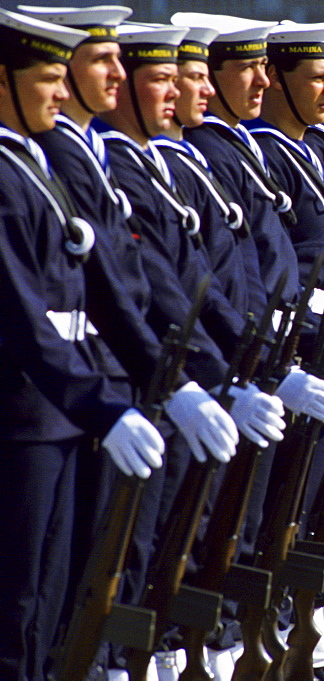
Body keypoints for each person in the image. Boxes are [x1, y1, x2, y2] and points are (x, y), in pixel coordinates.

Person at [0, 9, 166, 679]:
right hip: (23, 417)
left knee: (49, 596)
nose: (61, 93)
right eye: (46, 79)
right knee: (16, 606)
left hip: (59, 414)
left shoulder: (33, 166)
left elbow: (99, 290)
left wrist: (165, 383)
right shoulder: (8, 178)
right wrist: (104, 406)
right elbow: (23, 318)